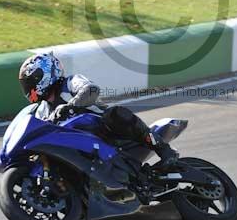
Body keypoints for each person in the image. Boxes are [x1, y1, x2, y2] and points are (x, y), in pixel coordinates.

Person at [18, 52, 178, 167]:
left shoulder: (70, 82)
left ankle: (163, 149)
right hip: (77, 146)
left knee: (115, 114)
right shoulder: (41, 110)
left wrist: (71, 106)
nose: (29, 87)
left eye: (31, 81)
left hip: (105, 130)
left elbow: (91, 90)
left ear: (46, 74)